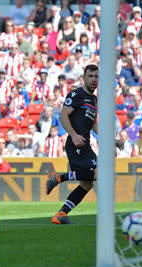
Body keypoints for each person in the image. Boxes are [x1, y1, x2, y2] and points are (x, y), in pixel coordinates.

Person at [45, 65, 99, 224]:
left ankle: (61, 214)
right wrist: (74, 135)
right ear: (84, 77)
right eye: (90, 76)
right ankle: (59, 177)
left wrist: (110, 139)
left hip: (85, 144)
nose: (93, 80)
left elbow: (93, 123)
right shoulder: (76, 94)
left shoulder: (93, 99)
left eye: (96, 77)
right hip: (75, 144)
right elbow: (63, 117)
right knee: (98, 174)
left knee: (87, 183)